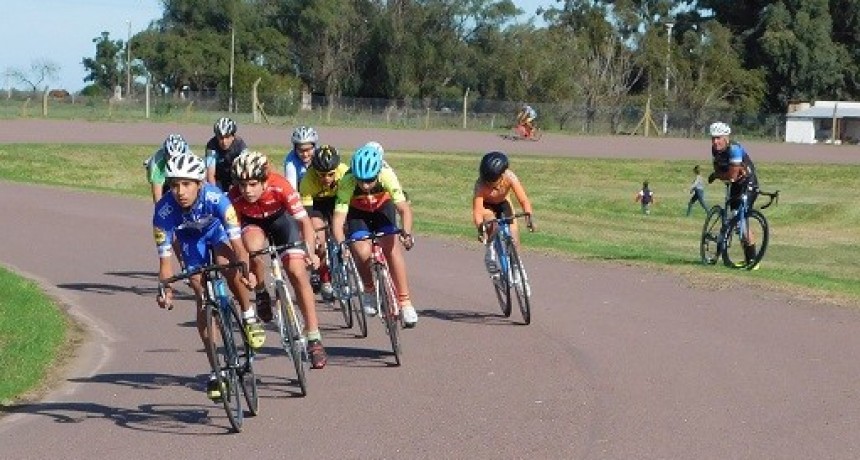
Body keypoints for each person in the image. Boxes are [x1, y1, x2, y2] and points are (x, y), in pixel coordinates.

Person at [152, 152, 265, 401]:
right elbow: (165, 263)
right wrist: (166, 291)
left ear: (199, 184)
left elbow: (238, 246)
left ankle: (248, 316)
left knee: (229, 265)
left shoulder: (217, 197)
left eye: (186, 184)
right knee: (200, 292)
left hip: (216, 232)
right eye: (174, 185)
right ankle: (216, 369)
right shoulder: (163, 212)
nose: (179, 191)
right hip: (190, 241)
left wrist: (246, 273)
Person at [228, 150, 328, 369]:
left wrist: (310, 251)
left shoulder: (280, 185)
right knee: (253, 246)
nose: (247, 191)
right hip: (252, 224)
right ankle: (262, 291)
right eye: (242, 185)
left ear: (264, 180)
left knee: (296, 271)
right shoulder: (233, 196)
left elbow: (304, 222)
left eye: (253, 184)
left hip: (281, 222)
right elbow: (235, 240)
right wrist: (248, 274)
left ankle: (314, 337)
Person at [330, 142, 418, 328]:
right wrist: (341, 244)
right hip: (358, 213)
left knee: (392, 249)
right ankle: (369, 290)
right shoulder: (347, 182)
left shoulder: (387, 175)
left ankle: (405, 302)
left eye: (370, 180)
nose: (365, 185)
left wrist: (407, 232)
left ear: (378, 172)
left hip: (382, 208)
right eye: (361, 180)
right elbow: (338, 221)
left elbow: (404, 209)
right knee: (361, 251)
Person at [707, 121, 761, 269]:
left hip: (749, 185)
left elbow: (731, 175)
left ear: (726, 137)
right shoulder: (715, 149)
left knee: (741, 223)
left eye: (718, 138)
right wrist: (719, 174)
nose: (715, 141)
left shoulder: (735, 149)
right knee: (735, 221)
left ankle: (752, 260)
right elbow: (719, 168)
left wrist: (718, 175)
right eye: (713, 138)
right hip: (736, 186)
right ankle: (743, 255)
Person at [299, 144, 349, 301]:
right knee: (319, 239)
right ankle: (325, 278)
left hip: (337, 201)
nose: (326, 179)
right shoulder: (307, 180)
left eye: (330, 174)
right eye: (321, 175)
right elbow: (306, 215)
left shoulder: (344, 172)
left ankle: (345, 262)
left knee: (344, 228)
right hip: (317, 205)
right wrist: (312, 236)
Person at [472, 151, 535, 275]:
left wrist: (528, 216)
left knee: (515, 239)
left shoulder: (509, 177)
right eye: (486, 180)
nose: (488, 184)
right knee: (492, 223)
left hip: (503, 204)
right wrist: (480, 228)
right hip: (487, 207)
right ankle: (490, 253)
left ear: (501, 175)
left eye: (492, 181)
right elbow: (478, 211)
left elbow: (523, 199)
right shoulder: (480, 185)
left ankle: (517, 267)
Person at [205, 117, 248, 192]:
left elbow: (245, 171)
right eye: (221, 138)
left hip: (234, 176)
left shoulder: (240, 145)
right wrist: (216, 194)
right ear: (216, 136)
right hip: (218, 176)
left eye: (227, 137)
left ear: (233, 136)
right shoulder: (211, 145)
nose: (224, 142)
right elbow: (210, 175)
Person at [145, 133, 191, 203]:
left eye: (177, 158)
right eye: (170, 157)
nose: (174, 162)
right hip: (164, 182)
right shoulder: (157, 166)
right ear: (165, 154)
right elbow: (158, 200)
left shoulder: (190, 159)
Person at [283, 125, 318, 190]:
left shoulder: (320, 156)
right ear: (295, 148)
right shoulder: (290, 161)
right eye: (300, 150)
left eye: (308, 149)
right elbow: (292, 189)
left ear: (314, 147)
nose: (305, 154)